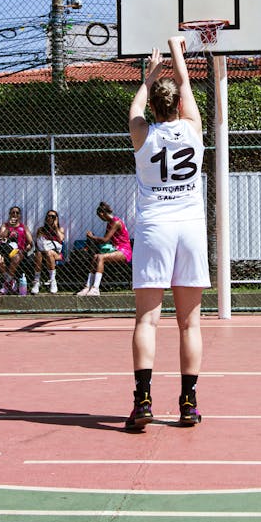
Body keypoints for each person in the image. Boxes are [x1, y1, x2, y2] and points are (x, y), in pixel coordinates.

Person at [123, 36, 207, 430]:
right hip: (189, 229)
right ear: (177, 105)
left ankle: (143, 401)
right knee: (189, 324)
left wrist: (151, 72)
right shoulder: (193, 128)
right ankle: (188, 404)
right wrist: (178, 52)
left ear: (155, 107)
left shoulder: (143, 133)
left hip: (155, 227)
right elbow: (187, 86)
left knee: (146, 321)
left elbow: (135, 107)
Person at [77, 202, 131, 297]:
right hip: (115, 249)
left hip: (124, 251)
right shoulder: (109, 223)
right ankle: (88, 286)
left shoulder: (116, 222)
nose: (100, 218)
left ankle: (95, 288)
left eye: (99, 216)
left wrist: (92, 237)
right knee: (95, 257)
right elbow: (105, 241)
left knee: (101, 258)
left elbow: (105, 239)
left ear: (102, 213)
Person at [0, 205, 31, 295]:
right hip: (6, 251)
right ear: (9, 214)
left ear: (20, 215)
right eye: (12, 212)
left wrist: (26, 248)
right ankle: (10, 281)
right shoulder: (5, 225)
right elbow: (0, 238)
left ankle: (7, 283)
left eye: (17, 213)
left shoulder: (23, 227)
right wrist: (9, 228)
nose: (15, 214)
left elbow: (30, 242)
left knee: (16, 256)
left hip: (19, 251)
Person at [32, 210, 65, 294]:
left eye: (53, 216)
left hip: (56, 253)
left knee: (49, 253)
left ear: (56, 218)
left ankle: (52, 281)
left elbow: (61, 239)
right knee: (38, 253)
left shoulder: (60, 229)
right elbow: (39, 242)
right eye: (48, 216)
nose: (50, 218)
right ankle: (37, 281)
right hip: (42, 252)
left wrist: (55, 226)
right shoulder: (41, 229)